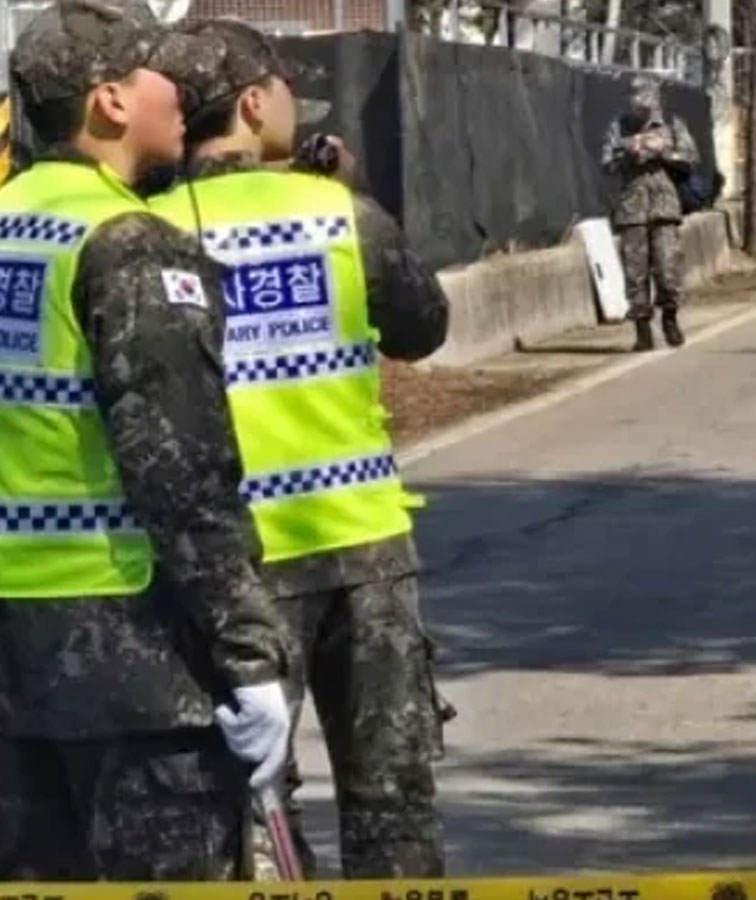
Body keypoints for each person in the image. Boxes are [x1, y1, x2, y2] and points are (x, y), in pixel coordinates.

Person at [146, 17, 452, 878]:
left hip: (230, 568)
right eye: (285, 87)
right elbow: (422, 327)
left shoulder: (143, 232)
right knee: (391, 799)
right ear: (253, 104)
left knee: (252, 802)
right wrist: (352, 195)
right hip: (361, 548)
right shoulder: (340, 215)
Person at [0, 0, 292, 879]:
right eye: (162, 74)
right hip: (132, 656)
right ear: (111, 101)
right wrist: (248, 653)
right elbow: (184, 474)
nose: (184, 95)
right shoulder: (128, 244)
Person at [601, 76, 700, 352]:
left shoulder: (672, 124)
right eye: (635, 98)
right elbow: (607, 164)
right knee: (635, 272)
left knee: (668, 268)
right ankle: (642, 328)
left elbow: (691, 160)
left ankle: (669, 316)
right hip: (632, 209)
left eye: (645, 98)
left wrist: (664, 151)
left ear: (656, 100)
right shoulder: (619, 126)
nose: (640, 104)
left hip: (664, 207)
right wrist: (629, 151)